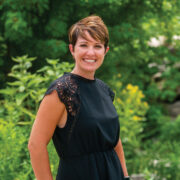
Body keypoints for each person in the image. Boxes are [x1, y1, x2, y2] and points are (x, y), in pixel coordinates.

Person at [28, 15, 130, 180]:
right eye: (84, 45)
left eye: (97, 46)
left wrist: (125, 177)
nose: (91, 52)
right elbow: (35, 145)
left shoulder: (104, 90)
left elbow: (114, 142)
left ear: (106, 50)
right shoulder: (61, 91)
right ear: (72, 49)